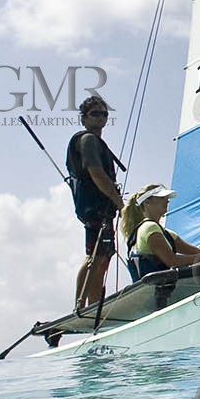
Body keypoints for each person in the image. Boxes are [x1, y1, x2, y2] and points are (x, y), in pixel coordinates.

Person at [67, 95, 123, 311]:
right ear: (83, 118)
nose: (101, 118)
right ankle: (81, 305)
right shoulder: (88, 140)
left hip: (100, 208)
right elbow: (96, 173)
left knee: (104, 256)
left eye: (104, 114)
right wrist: (120, 203)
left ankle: (94, 304)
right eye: (95, 114)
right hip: (95, 208)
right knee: (96, 256)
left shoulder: (97, 142)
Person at [120, 183, 200, 282]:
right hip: (157, 290)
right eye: (162, 198)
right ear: (147, 202)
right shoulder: (149, 228)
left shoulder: (165, 233)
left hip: (165, 286)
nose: (167, 201)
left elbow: (197, 251)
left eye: (167, 198)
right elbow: (172, 261)